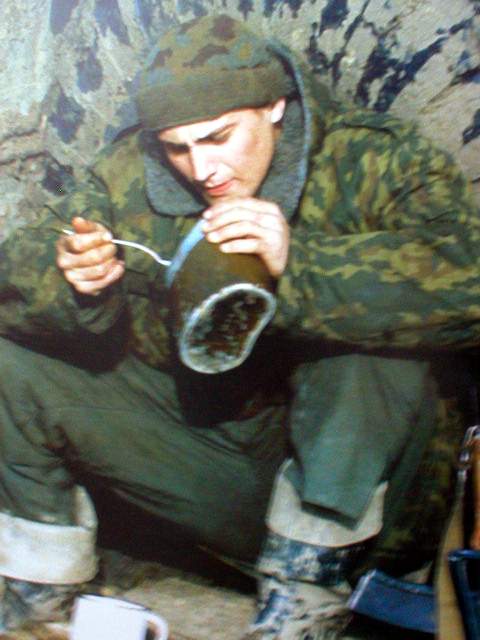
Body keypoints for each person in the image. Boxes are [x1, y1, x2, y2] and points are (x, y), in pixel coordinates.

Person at [0, 13, 478, 639]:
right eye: (178, 147)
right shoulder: (131, 173)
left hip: (366, 510)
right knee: (10, 366)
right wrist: (67, 272)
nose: (201, 168)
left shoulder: (373, 159)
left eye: (219, 137)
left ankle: (302, 611)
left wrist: (301, 265)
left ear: (275, 105)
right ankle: (39, 603)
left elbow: (468, 277)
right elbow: (21, 261)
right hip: (226, 472)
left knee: (364, 345)